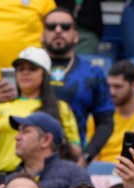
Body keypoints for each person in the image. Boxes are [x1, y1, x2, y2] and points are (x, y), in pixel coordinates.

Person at [0, 47, 80, 176]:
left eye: (32, 69)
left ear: (45, 74)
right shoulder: (1, 105)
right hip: (3, 176)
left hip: (44, 176)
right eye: (20, 69)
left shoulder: (61, 108)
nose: (25, 73)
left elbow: (76, 150)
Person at [43, 8, 113, 162]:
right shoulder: (27, 69)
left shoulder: (92, 72)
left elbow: (106, 122)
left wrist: (87, 156)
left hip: (71, 158)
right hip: (29, 157)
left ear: (76, 36)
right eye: (51, 26)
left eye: (66, 26)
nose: (58, 30)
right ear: (42, 34)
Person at [9, 111, 91, 188]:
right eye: (19, 131)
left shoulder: (74, 174)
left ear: (46, 140)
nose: (17, 137)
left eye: (26, 131)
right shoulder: (11, 179)